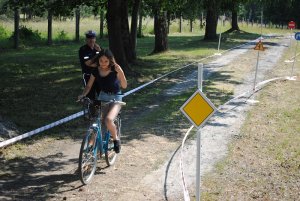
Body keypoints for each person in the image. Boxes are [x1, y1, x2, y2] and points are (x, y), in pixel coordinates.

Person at [78, 49, 127, 153]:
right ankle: (91, 145)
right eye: (101, 61)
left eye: (106, 61)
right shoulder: (96, 71)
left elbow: (124, 85)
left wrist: (121, 72)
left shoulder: (115, 69)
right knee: (97, 121)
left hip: (116, 97)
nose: (103, 63)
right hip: (103, 96)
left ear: (110, 61)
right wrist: (83, 95)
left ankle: (116, 140)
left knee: (108, 120)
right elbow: (89, 86)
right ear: (98, 60)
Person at [78, 30, 102, 100]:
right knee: (90, 97)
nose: (91, 40)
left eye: (93, 38)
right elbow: (88, 63)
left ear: (95, 39)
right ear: (86, 39)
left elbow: (105, 60)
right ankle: (92, 110)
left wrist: (100, 51)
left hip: (98, 75)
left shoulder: (98, 48)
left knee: (101, 94)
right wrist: (98, 57)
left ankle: (101, 110)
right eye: (89, 38)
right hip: (88, 75)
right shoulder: (83, 50)